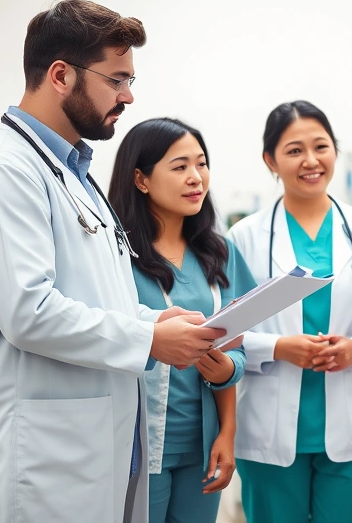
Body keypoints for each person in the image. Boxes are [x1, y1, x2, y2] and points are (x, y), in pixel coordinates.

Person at [0, 0, 224, 523]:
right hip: (42, 456)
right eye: (116, 79)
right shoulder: (2, 173)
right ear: (61, 75)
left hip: (95, 445)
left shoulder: (75, 173)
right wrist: (149, 340)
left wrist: (152, 321)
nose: (129, 96)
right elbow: (30, 312)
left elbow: (96, 300)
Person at [227, 100, 352, 523]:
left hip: (350, 423)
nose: (311, 161)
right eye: (294, 150)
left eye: (321, 146)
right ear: (271, 160)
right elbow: (224, 332)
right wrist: (278, 347)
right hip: (269, 425)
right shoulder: (244, 236)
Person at [109, 118, 257, 523]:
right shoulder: (115, 256)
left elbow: (235, 343)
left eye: (202, 164)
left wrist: (227, 429)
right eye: (179, 167)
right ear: (141, 179)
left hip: (203, 444)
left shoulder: (218, 251)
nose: (196, 178)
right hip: (136, 445)